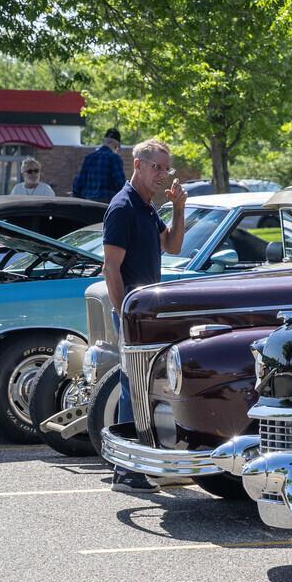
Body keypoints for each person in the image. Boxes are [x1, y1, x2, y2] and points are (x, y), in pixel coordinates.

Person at [102, 138, 187, 493]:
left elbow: (173, 246)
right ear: (137, 165)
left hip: (148, 314)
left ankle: (146, 463)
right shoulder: (123, 207)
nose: (163, 174)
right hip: (132, 314)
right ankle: (126, 471)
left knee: (146, 388)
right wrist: (124, 314)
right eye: (156, 167)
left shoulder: (148, 206)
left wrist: (179, 208)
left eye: (167, 168)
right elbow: (111, 268)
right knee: (131, 389)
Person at [72, 128, 126, 202]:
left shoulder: (89, 158)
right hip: (105, 204)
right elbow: (120, 184)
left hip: (88, 203)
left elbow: (77, 184)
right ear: (116, 145)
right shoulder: (114, 158)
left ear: (104, 142)